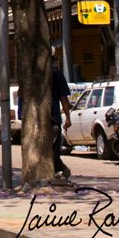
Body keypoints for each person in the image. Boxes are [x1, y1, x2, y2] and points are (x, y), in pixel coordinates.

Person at [51, 50, 72, 182]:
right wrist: (68, 118)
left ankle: (61, 170)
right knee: (53, 149)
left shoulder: (33, 74)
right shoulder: (56, 74)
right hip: (53, 119)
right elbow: (64, 98)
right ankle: (61, 169)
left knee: (50, 150)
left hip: (40, 121)